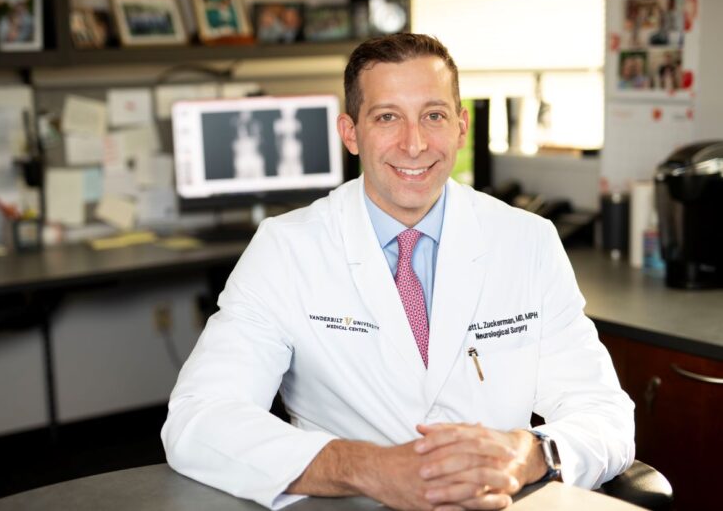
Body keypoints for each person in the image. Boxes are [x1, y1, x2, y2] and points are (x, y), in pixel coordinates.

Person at [162, 33, 634, 510]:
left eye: (434, 116)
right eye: (387, 117)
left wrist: (527, 455)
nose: (415, 144)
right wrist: (368, 468)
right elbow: (199, 418)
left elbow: (604, 413)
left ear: (461, 128)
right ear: (350, 133)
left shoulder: (527, 241)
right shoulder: (286, 249)